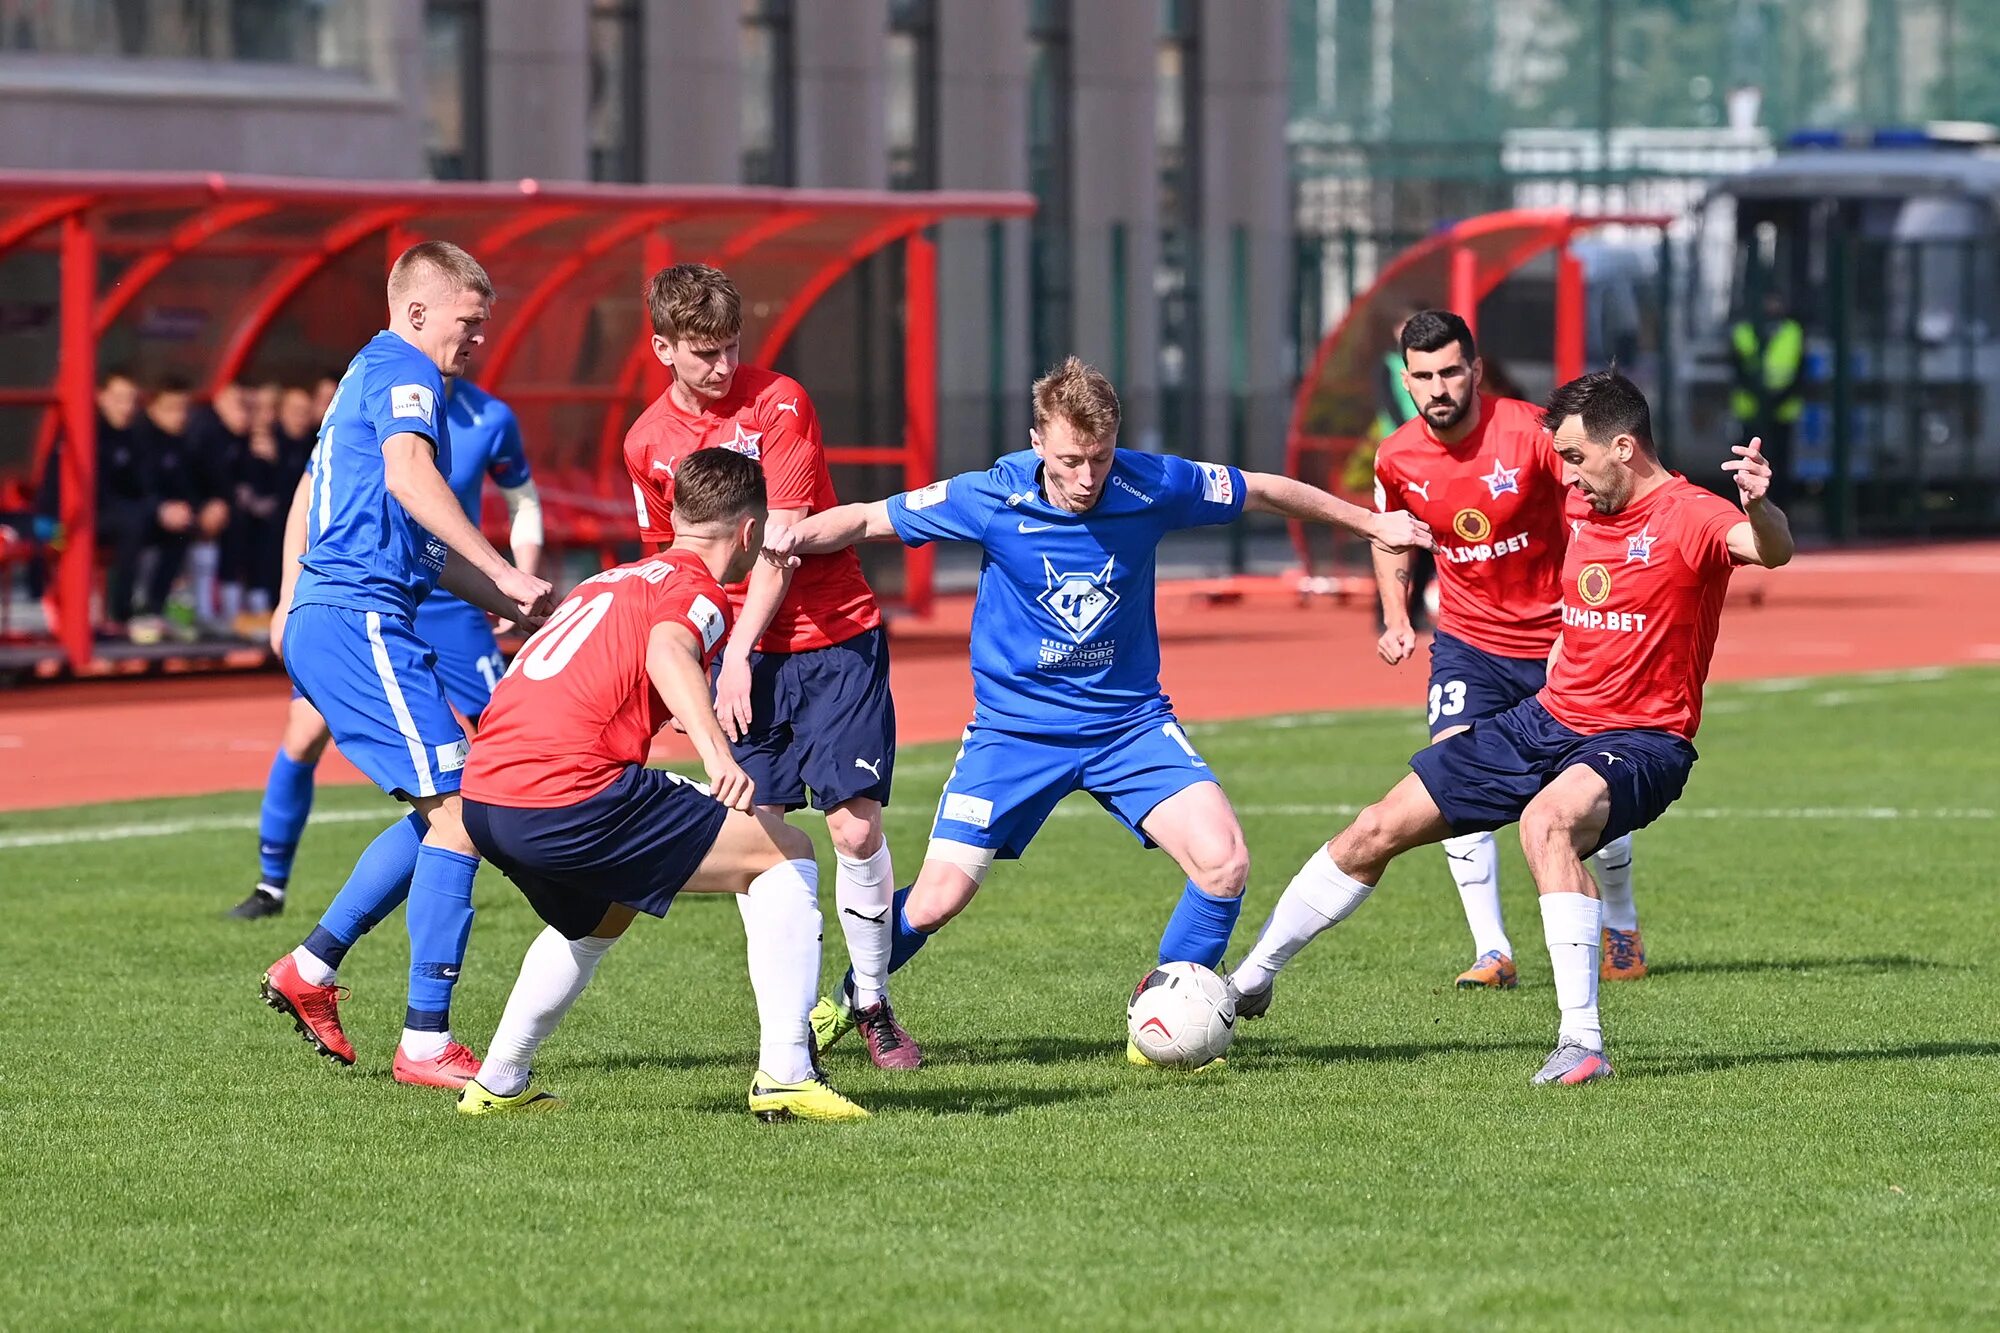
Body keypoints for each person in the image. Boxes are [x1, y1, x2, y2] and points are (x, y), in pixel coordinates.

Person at [762, 357, 1431, 1070]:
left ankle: (1165, 1016)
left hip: (1129, 726)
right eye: (1070, 461)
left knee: (1225, 862)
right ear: (1037, 441)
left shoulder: (1151, 482)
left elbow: (1261, 489)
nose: (1087, 478)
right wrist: (787, 538)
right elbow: (869, 516)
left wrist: (1370, 522)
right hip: (1015, 732)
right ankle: (847, 1002)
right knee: (933, 901)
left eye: (1100, 458)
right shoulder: (992, 493)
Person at [1227, 370, 1794, 1086]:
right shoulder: (1584, 509)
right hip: (1545, 718)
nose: (1569, 476)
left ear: (1624, 447)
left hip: (1644, 739)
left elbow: (1768, 549)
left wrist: (1762, 503)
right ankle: (1246, 981)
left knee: (1546, 823)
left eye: (1578, 459)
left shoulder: (1691, 514)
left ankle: (1581, 1041)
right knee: (1376, 825)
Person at [456, 448, 868, 1122]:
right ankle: (787, 1072)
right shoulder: (698, 589)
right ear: (748, 531)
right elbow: (667, 649)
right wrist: (716, 752)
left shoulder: (608, 580)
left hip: (488, 797)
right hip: (567, 793)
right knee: (785, 850)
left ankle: (498, 1079)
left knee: (601, 913)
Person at [257, 241, 553, 1090]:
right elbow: (412, 474)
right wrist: (503, 569)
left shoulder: (376, 374)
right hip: (358, 617)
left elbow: (415, 533)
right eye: (470, 321)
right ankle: (425, 1039)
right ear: (418, 311)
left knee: (448, 809)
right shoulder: (404, 369)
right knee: (466, 812)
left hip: (358, 614)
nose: (479, 339)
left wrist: (512, 600)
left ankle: (311, 969)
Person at [621, 264, 913, 1069]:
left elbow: (778, 543)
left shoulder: (780, 400)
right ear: (662, 347)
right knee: (763, 841)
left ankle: (873, 997)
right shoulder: (646, 442)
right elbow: (666, 562)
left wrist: (736, 655)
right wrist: (683, 668)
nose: (721, 366)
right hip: (741, 657)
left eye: (730, 348)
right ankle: (791, 1028)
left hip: (831, 635)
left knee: (854, 824)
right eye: (703, 352)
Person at [1371, 310, 1646, 988]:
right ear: (1406, 380)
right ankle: (1493, 950)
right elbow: (1389, 534)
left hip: (1559, 639)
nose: (1438, 387)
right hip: (1469, 641)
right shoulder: (1396, 455)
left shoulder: (1532, 433)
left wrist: (1586, 618)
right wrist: (1396, 615)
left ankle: (1622, 920)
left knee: (1586, 799)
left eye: (1450, 371)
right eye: (1424, 376)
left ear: (1476, 370)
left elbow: (1591, 511)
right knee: (1450, 775)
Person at [230, 376, 543, 920]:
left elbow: (523, 501)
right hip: (367, 597)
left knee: (509, 740)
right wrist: (287, 594)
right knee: (303, 737)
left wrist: (516, 579)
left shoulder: (489, 416)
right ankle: (271, 887)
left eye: (477, 322)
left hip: (452, 598)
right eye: (466, 320)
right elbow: (309, 495)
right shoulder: (374, 387)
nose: (473, 334)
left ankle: (549, 862)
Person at [1730, 289, 1803, 507]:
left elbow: (1799, 371)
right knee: (1747, 467)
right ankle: (1749, 511)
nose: (1771, 306)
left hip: (1783, 410)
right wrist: (1759, 396)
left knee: (1780, 467)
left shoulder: (1793, 332)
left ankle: (1780, 511)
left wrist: (1778, 398)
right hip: (1751, 411)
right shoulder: (1742, 332)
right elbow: (1738, 370)